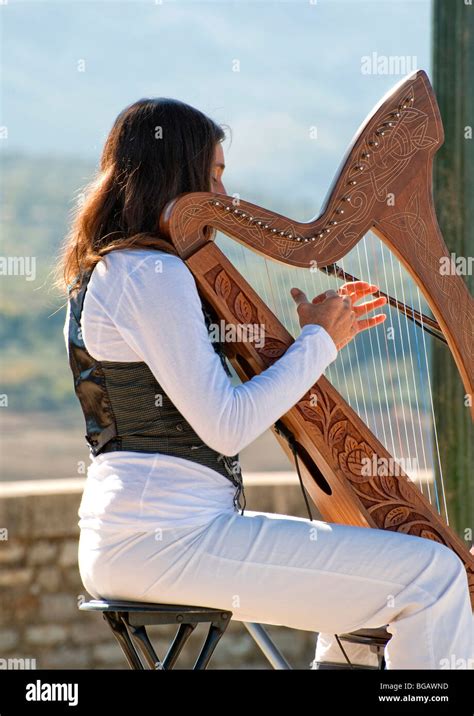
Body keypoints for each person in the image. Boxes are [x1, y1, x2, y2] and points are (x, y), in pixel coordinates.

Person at [56, 97, 473, 670]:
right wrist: (319, 344)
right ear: (176, 175)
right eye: (214, 177)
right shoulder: (153, 274)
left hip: (152, 536)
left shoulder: (120, 269)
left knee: (372, 592)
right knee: (434, 573)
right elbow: (226, 426)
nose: (225, 200)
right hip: (165, 540)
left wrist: (312, 342)